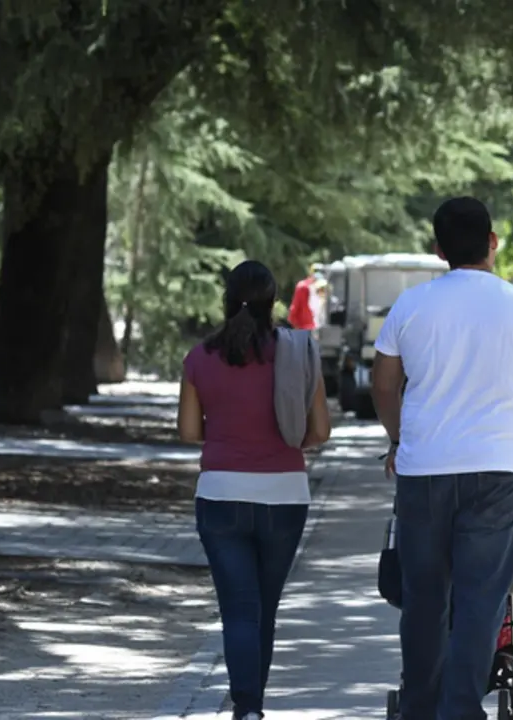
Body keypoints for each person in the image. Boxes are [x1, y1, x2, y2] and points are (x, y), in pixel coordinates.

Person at [371, 197, 513, 720]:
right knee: (482, 599)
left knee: (424, 599)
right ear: (493, 243)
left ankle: (419, 708)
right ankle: (460, 710)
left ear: (438, 250)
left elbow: (384, 382)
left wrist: (396, 438)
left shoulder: (411, 306)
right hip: (499, 471)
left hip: (424, 470)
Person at [177, 260, 332, 720]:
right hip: (285, 496)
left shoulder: (200, 357)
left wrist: (228, 430)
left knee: (239, 610)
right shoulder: (299, 351)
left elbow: (188, 431)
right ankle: (252, 704)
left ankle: (248, 707)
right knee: (264, 607)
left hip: (221, 494)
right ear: (274, 301)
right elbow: (320, 430)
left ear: (227, 299)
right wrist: (281, 439)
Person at [287, 266, 318, 330]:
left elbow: (294, 308)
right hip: (319, 327)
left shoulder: (302, 286)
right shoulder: (324, 287)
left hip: (304, 327)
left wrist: (294, 323)